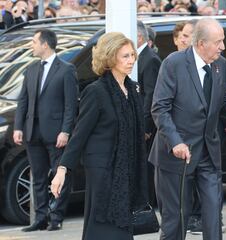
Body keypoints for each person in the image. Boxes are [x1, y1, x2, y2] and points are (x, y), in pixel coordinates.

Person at [149, 18, 226, 240]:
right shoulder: (173, 63)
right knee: (176, 219)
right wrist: (176, 142)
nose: (223, 47)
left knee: (213, 214)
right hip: (176, 156)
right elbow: (160, 109)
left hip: (208, 154)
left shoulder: (220, 64)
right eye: (218, 41)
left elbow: (224, 104)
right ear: (201, 43)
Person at [51, 32, 148, 240]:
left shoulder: (132, 90)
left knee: (121, 226)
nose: (131, 60)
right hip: (102, 171)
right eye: (125, 56)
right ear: (110, 57)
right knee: (103, 225)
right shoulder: (96, 92)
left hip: (127, 168)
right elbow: (79, 135)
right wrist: (62, 170)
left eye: (132, 55)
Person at [13, 29, 78, 232]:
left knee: (60, 175)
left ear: (45, 44)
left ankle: (56, 217)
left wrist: (66, 130)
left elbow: (71, 104)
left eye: (34, 42)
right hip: (33, 131)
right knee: (38, 177)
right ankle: (40, 218)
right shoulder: (31, 69)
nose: (31, 45)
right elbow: (23, 101)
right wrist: (18, 127)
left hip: (56, 133)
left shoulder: (66, 69)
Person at [137, 20, 162, 206]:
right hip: (140, 120)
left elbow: (151, 94)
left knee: (148, 166)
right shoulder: (140, 57)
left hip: (148, 124)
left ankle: (149, 202)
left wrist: (146, 126)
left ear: (139, 37)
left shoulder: (150, 58)